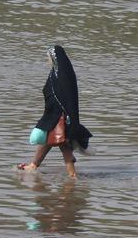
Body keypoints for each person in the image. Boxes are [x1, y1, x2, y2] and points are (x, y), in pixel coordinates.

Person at [18, 45, 93, 178]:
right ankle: (34, 165)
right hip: (52, 113)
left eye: (49, 57)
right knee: (50, 140)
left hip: (59, 115)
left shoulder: (62, 74)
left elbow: (66, 96)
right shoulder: (57, 72)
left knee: (62, 143)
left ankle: (72, 175)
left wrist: (66, 116)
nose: (48, 60)